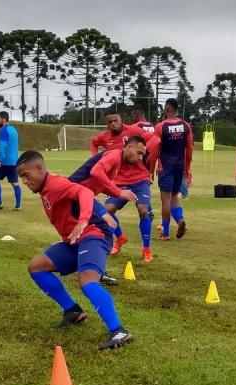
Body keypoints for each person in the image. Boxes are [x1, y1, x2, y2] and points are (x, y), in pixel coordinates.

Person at [19, 150, 133, 350]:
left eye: (26, 175)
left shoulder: (54, 184)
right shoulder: (46, 186)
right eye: (21, 177)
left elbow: (84, 192)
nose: (24, 182)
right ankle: (73, 311)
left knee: (87, 280)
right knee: (36, 267)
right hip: (73, 241)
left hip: (93, 234)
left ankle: (119, 330)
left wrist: (84, 219)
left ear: (39, 168)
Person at [73, 135, 158, 263]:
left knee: (99, 225)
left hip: (84, 194)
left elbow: (100, 183)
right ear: (128, 147)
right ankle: (94, 262)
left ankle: (143, 248)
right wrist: (118, 191)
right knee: (100, 224)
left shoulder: (119, 159)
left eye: (142, 155)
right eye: (139, 153)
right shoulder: (115, 155)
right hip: (77, 193)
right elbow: (96, 172)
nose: (140, 158)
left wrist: (118, 193)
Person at [154, 98, 193, 240]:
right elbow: (189, 148)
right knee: (175, 196)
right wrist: (187, 168)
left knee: (165, 200)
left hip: (166, 166)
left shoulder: (160, 126)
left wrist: (151, 169)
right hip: (179, 165)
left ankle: (165, 234)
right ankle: (180, 219)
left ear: (167, 109)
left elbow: (154, 150)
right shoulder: (186, 126)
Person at [0, 111, 21, 211]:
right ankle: (18, 206)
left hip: (4, 161)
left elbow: (3, 146)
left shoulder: (3, 130)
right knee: (15, 183)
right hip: (14, 161)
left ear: (3, 119)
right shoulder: (14, 130)